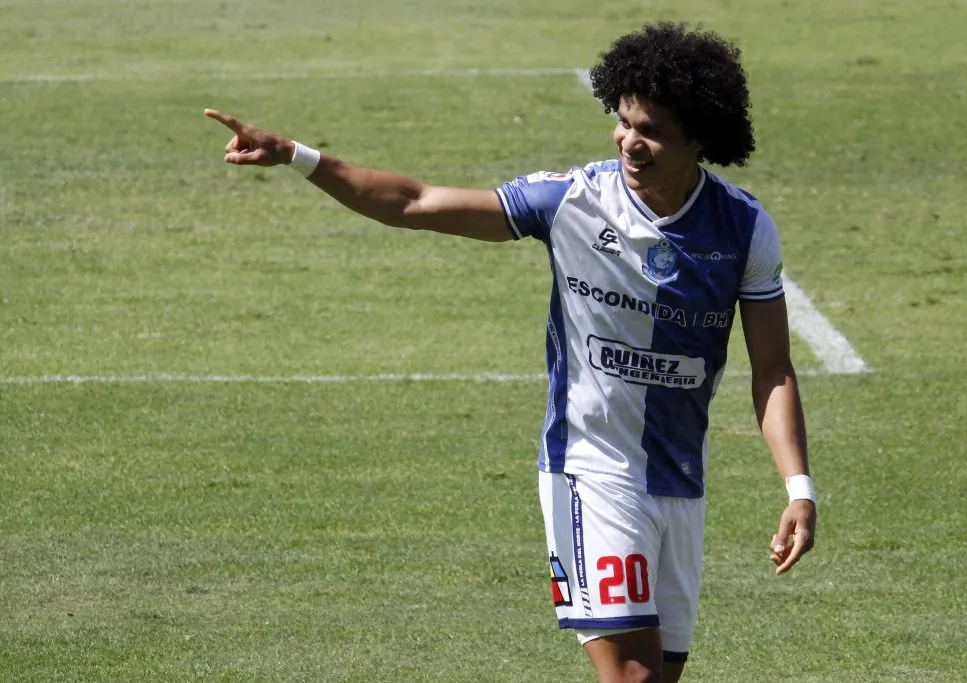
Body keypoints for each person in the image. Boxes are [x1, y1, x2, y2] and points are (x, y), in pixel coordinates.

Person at [204, 21, 816, 683]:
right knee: (634, 677)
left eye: (653, 130)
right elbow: (414, 202)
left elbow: (773, 368)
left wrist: (798, 487)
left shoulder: (744, 227)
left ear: (701, 136)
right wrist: (298, 155)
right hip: (591, 471)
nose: (629, 142)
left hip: (679, 483)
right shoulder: (574, 201)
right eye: (624, 122)